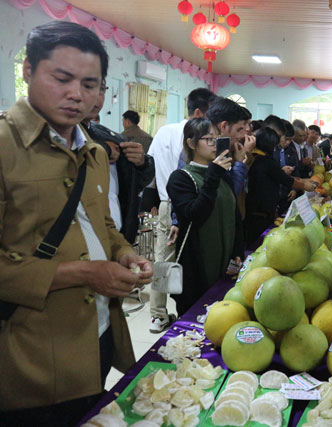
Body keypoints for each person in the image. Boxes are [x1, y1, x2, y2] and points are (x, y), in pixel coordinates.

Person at [0, 21, 152, 425]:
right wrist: (84, 272)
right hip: (29, 352)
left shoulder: (95, 153)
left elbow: (104, 225)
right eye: (61, 78)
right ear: (28, 71)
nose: (76, 95)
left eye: (90, 84)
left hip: (98, 334)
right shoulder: (4, 148)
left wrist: (124, 253)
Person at [146, 87, 214, 333]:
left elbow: (151, 170)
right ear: (198, 112)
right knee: (181, 258)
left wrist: (152, 201)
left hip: (166, 202)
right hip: (186, 204)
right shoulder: (195, 136)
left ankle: (158, 314)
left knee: (164, 260)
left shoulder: (163, 131)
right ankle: (184, 311)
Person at [166, 118, 243, 315]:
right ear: (191, 143)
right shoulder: (181, 178)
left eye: (217, 139)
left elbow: (234, 215)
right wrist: (213, 175)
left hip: (225, 263)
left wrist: (237, 251)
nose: (214, 144)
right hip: (198, 267)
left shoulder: (221, 175)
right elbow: (195, 214)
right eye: (209, 139)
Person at [83, 81, 155, 244]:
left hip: (117, 238)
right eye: (87, 85)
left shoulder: (114, 138)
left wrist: (142, 163)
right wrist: (102, 151)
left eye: (101, 89)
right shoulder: (54, 140)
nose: (95, 96)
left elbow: (134, 185)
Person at [245, 127, 316, 244]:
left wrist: (301, 180)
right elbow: (285, 179)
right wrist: (304, 186)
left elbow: (278, 175)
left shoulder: (254, 158)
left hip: (254, 208)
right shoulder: (266, 161)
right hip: (261, 211)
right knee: (257, 241)